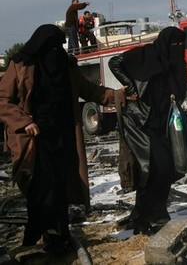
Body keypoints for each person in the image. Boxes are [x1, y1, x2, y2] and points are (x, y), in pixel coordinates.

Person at [0, 24, 122, 251]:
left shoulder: (66, 66)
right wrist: (24, 122)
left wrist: (118, 96)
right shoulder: (21, 65)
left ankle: (58, 239)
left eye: (59, 46)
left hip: (63, 136)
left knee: (61, 187)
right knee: (43, 189)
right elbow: (3, 100)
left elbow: (90, 90)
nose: (55, 51)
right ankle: (39, 237)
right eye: (51, 47)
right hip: (34, 141)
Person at [108, 27, 187, 235]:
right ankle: (150, 216)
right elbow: (114, 62)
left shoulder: (176, 65)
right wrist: (130, 86)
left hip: (161, 123)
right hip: (139, 122)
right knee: (157, 167)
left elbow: (179, 90)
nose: (178, 49)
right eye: (175, 45)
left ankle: (146, 215)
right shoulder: (146, 54)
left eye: (181, 45)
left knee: (162, 170)